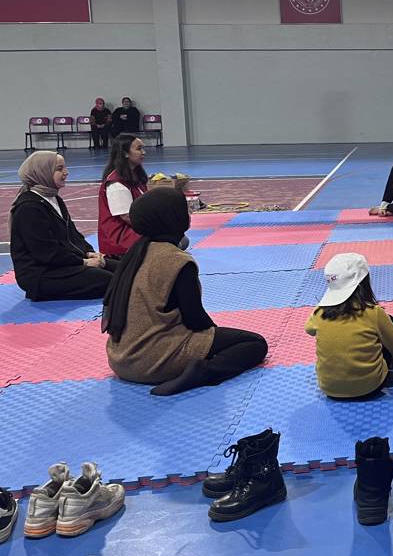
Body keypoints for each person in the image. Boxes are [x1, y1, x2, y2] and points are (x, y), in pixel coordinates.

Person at [101, 188, 267, 396]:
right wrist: (214, 340)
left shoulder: (134, 253)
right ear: (173, 218)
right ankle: (201, 373)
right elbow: (195, 319)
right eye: (183, 211)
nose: (188, 215)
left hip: (120, 359)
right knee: (255, 343)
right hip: (152, 363)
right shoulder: (177, 260)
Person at [9, 151, 117, 301]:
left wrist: (89, 253)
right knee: (111, 281)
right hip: (41, 273)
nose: (66, 172)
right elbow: (46, 252)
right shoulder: (29, 208)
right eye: (59, 169)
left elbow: (73, 235)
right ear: (43, 172)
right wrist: (84, 262)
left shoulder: (54, 199)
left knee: (121, 269)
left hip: (63, 264)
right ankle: (43, 292)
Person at [305, 253, 393, 399]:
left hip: (329, 388)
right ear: (364, 283)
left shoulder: (319, 313)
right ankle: (388, 373)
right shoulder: (373, 312)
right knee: (390, 322)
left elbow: (309, 329)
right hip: (370, 387)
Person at [97, 133, 149, 257]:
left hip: (133, 230)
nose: (143, 152)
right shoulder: (116, 183)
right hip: (120, 238)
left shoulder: (135, 176)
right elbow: (127, 216)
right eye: (139, 149)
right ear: (125, 153)